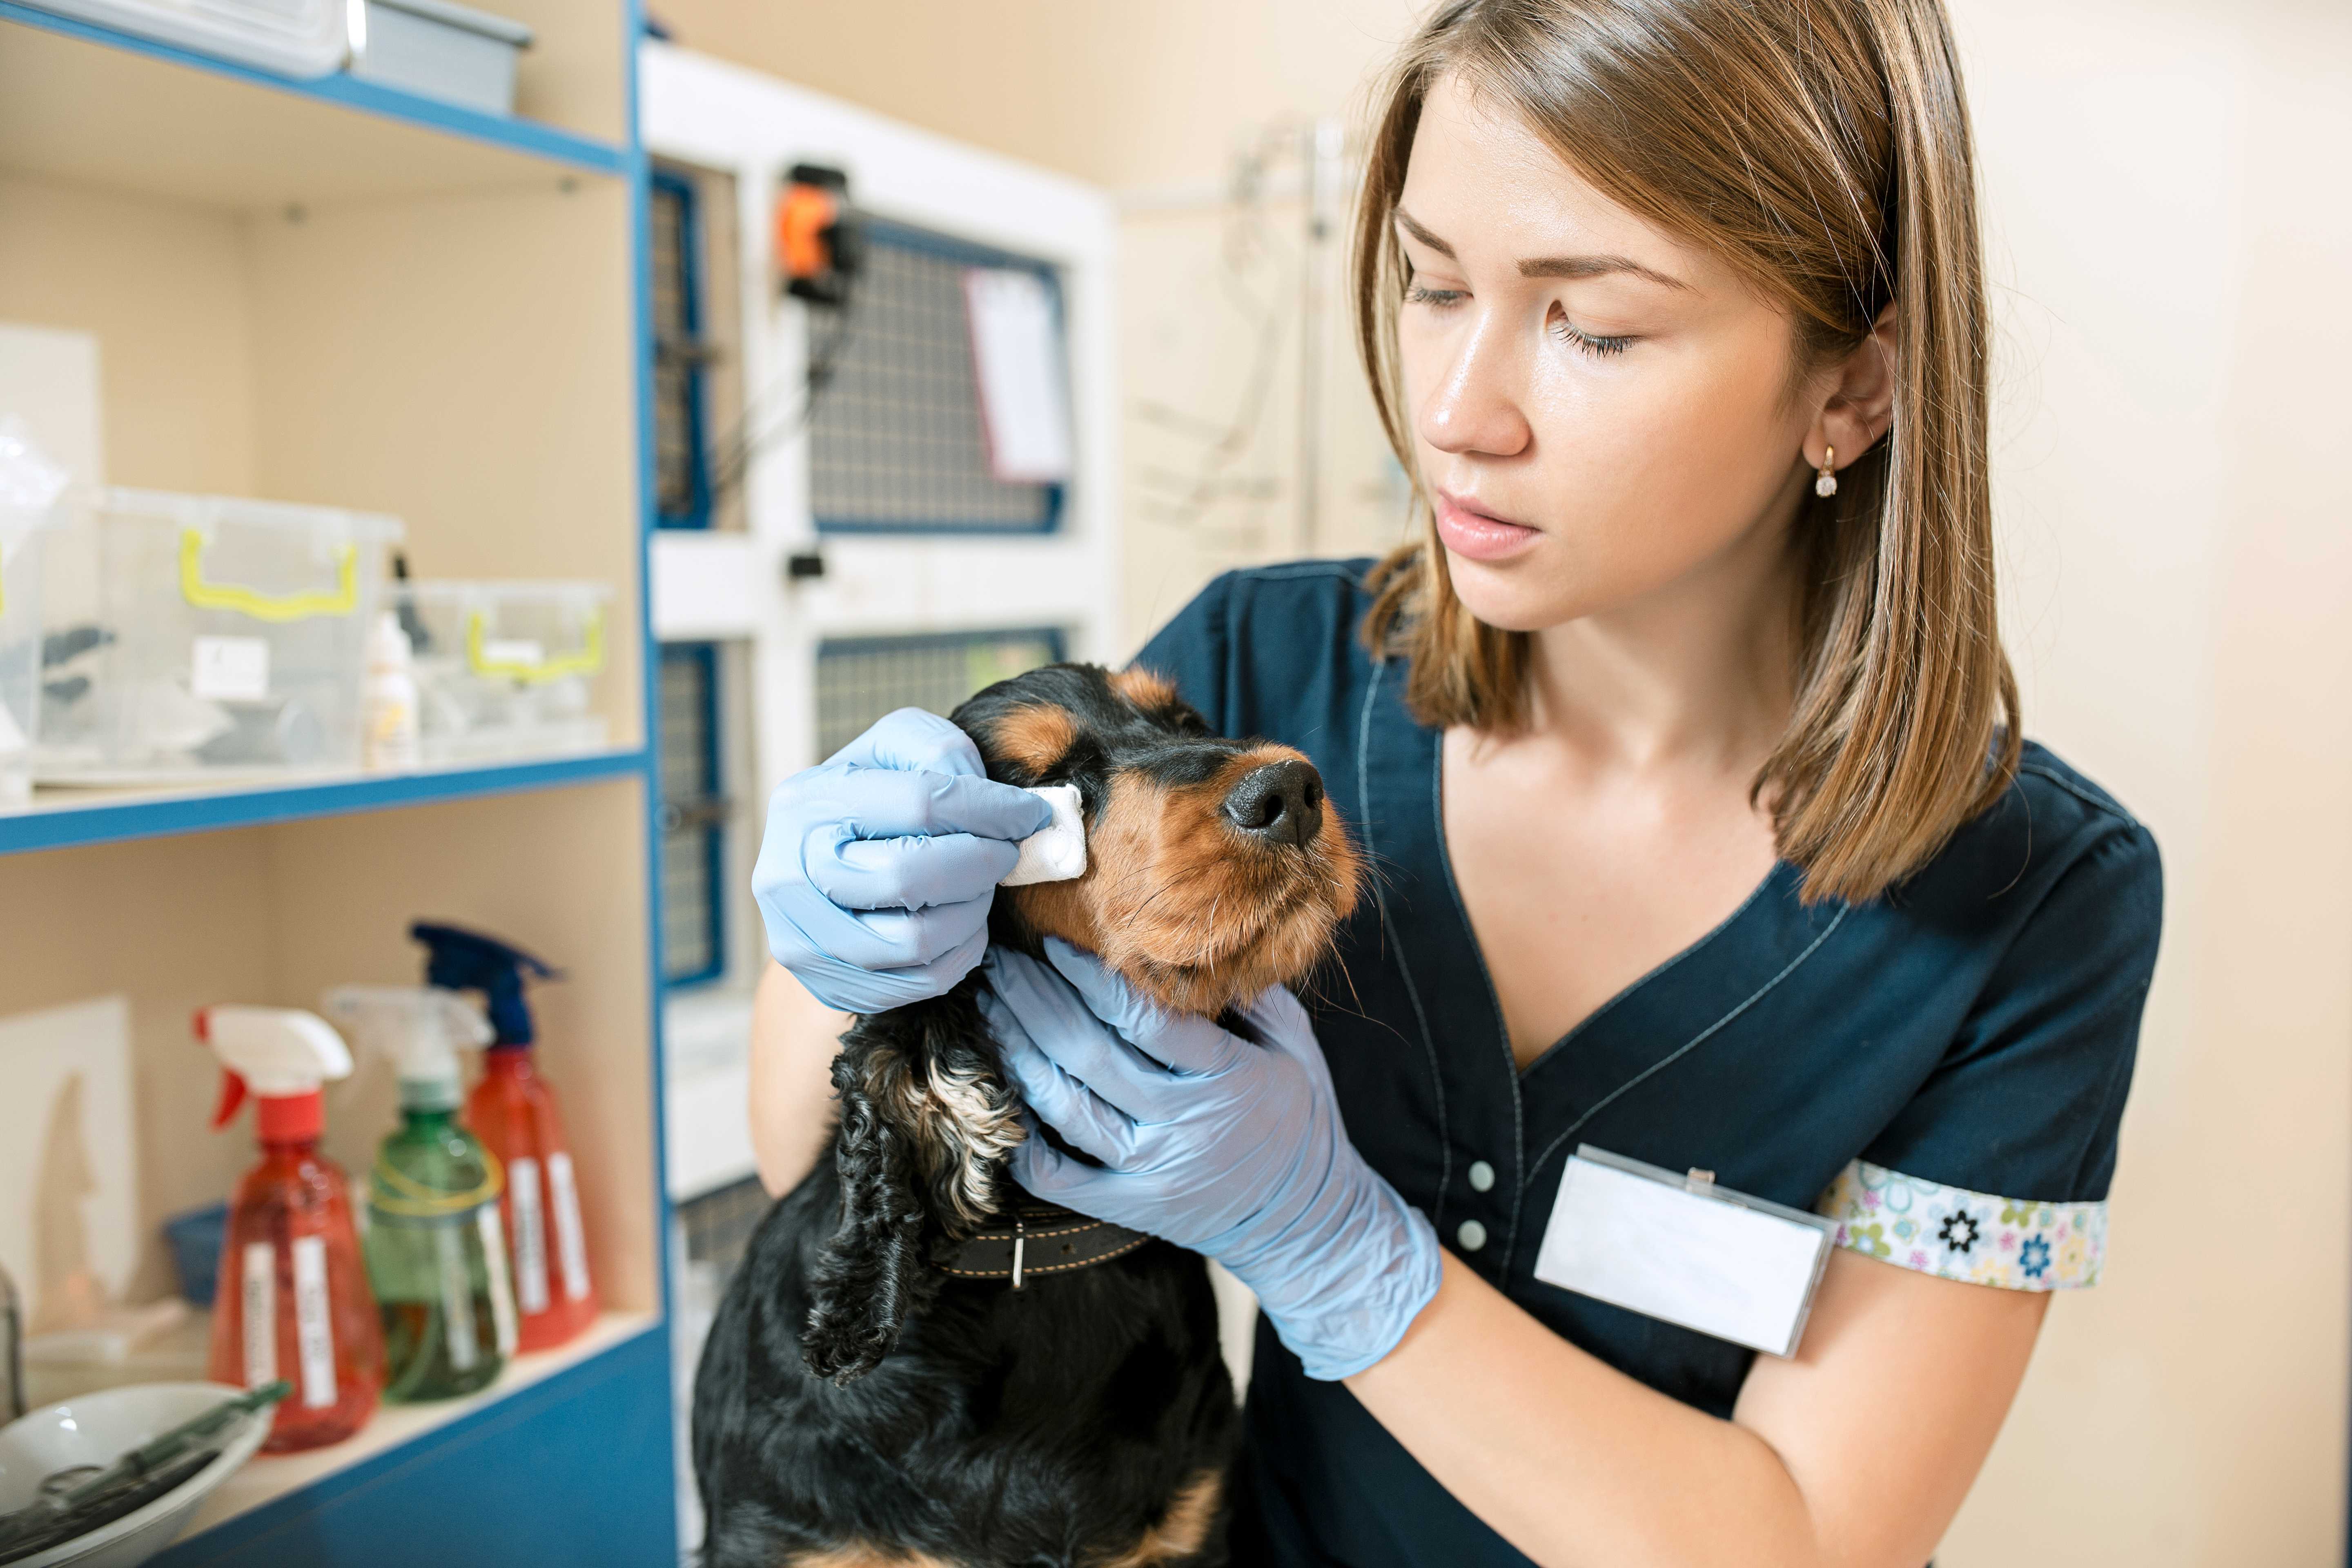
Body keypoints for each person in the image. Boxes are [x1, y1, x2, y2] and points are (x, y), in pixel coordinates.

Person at [742, 0, 2164, 1562]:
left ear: (1852, 389)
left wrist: (1337, 1250)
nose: (1453, 414)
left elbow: (1821, 1537)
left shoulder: (2036, 902)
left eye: (1592, 325)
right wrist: (841, 944)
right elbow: (815, 1167)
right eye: (1431, 285)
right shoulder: (1255, 672)